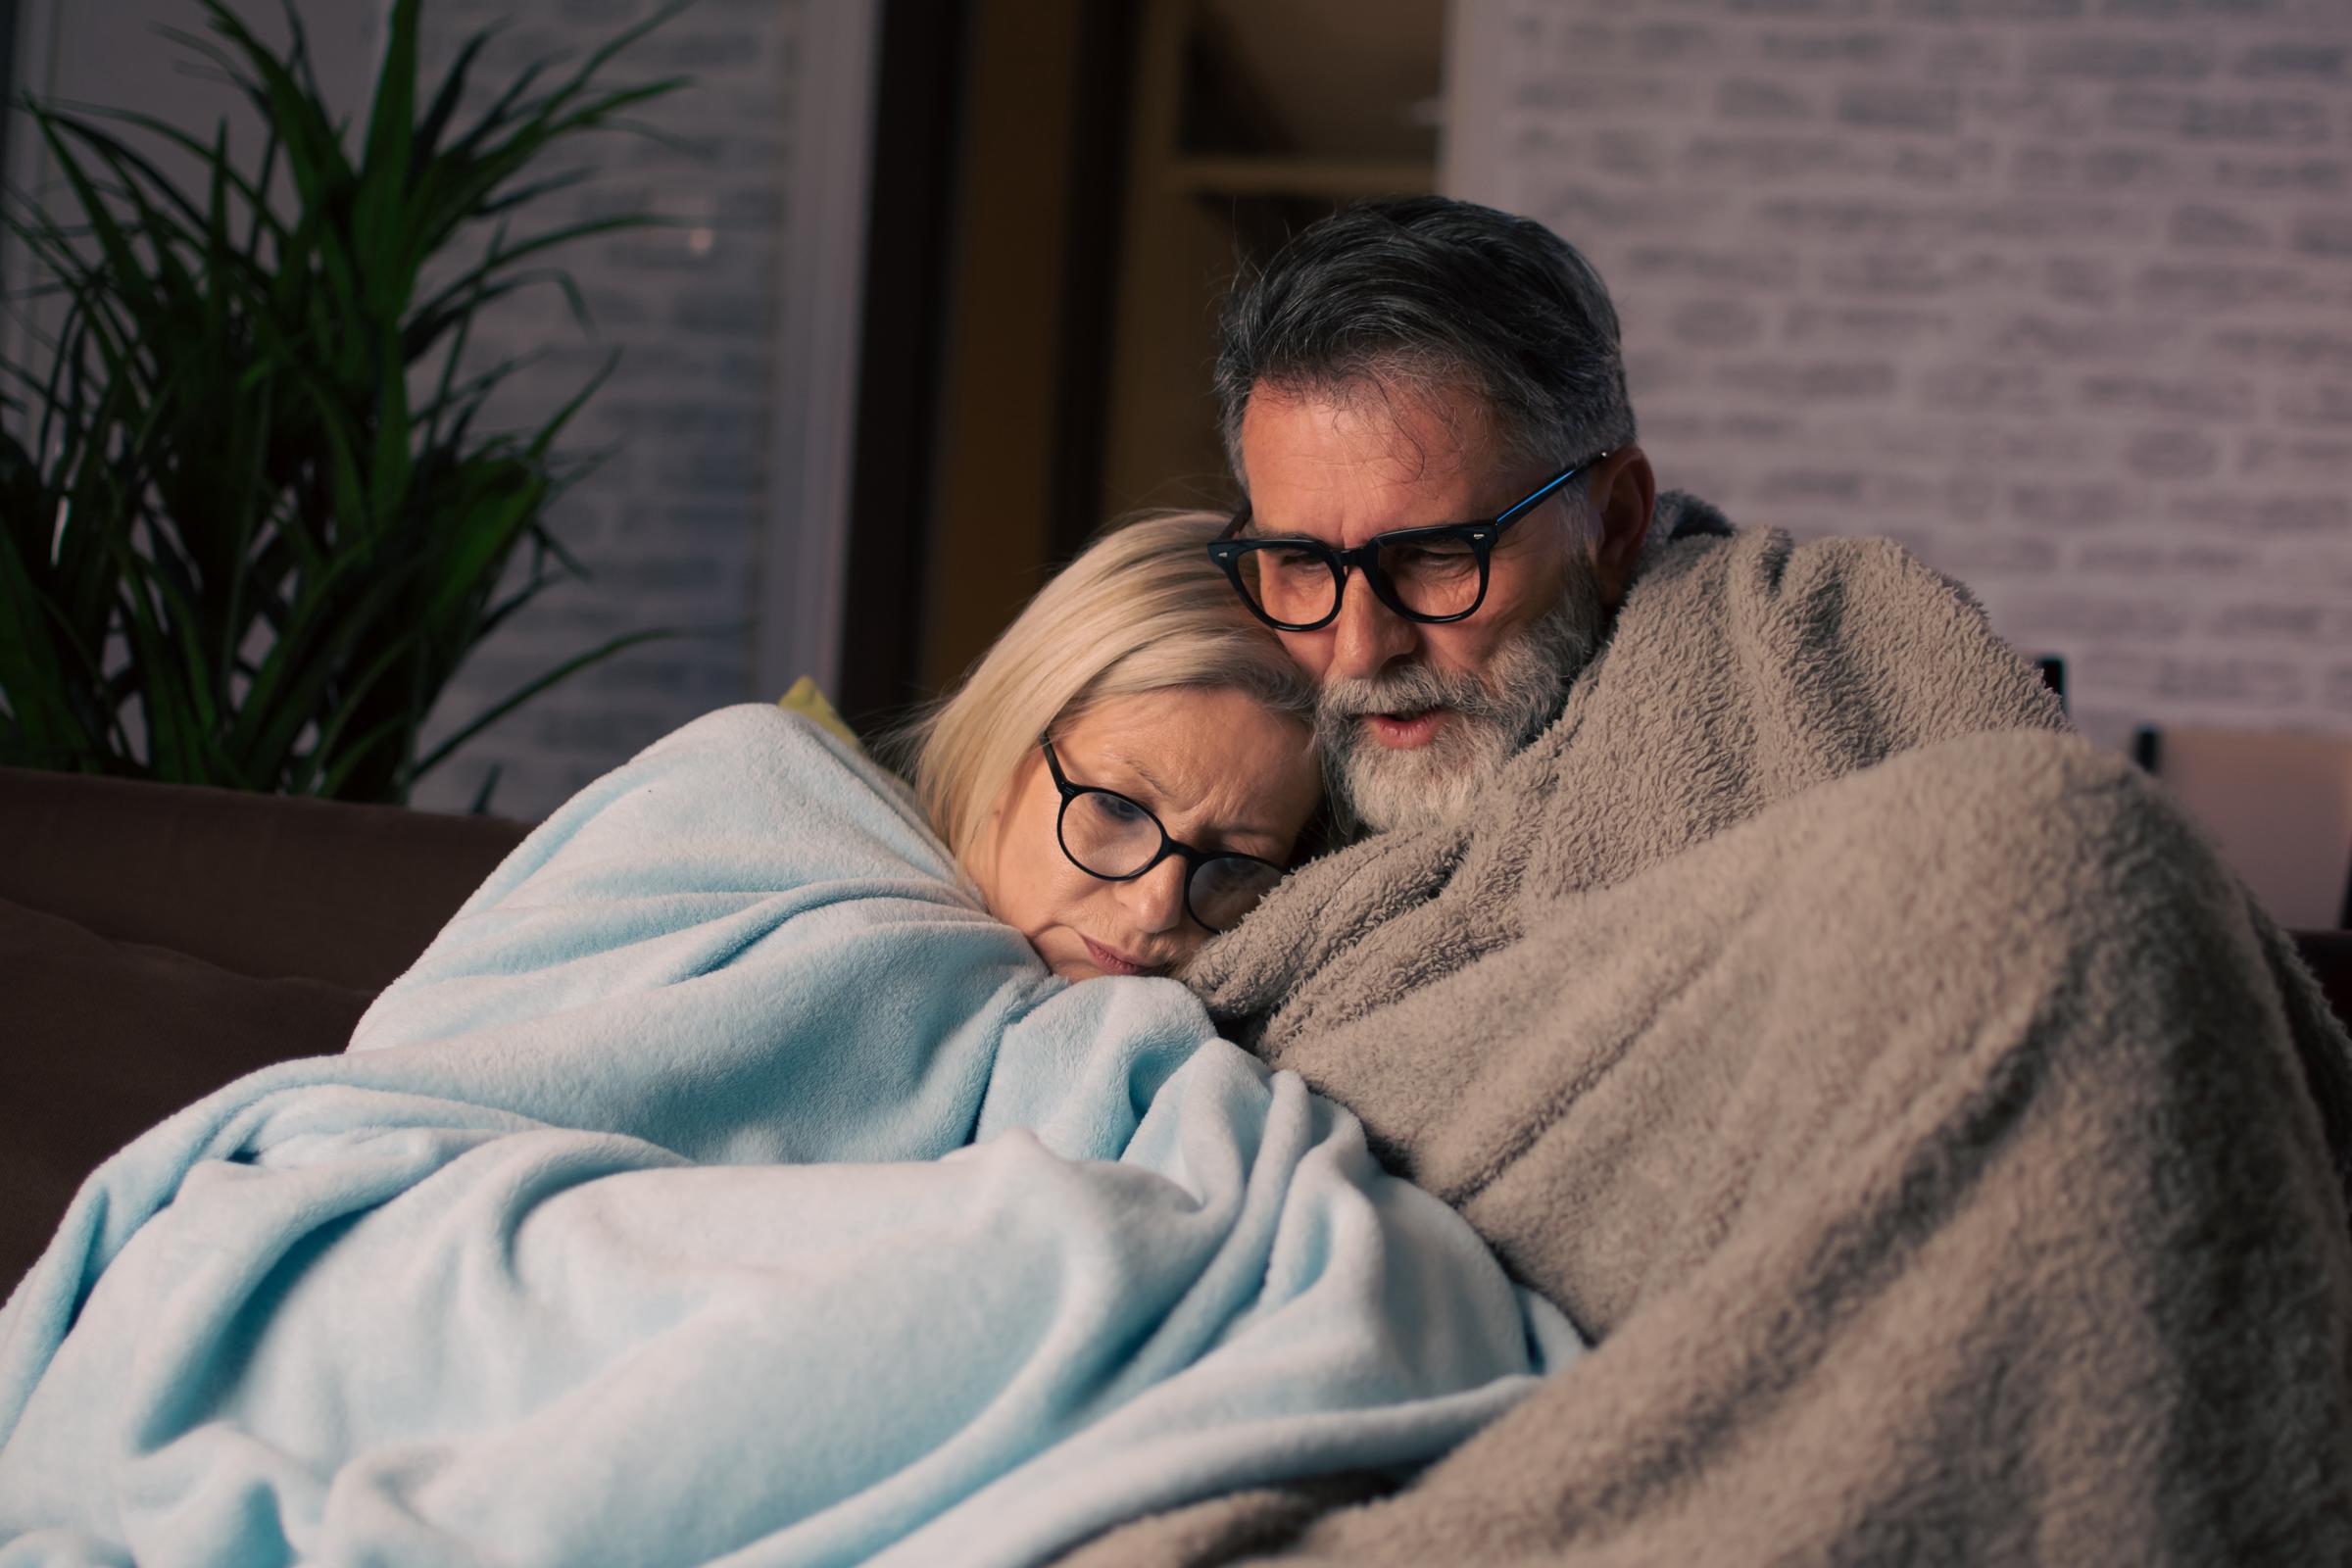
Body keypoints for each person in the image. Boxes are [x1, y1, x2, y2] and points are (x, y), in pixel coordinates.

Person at [1054, 198, 2352, 1566]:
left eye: (1436, 557)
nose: (1362, 641)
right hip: (1430, 1372)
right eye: (1299, 566)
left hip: (1813, 1357)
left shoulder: (1809, 648)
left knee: (2061, 847)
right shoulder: (1243, 758)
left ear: (1612, 519)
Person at [0, 510, 1580, 1567]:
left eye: (1231, 867)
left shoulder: (1130, 1036)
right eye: (1113, 812)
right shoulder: (757, 803)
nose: (1154, 907)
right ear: (1017, 734)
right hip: (429, 1249)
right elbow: (434, 1080)